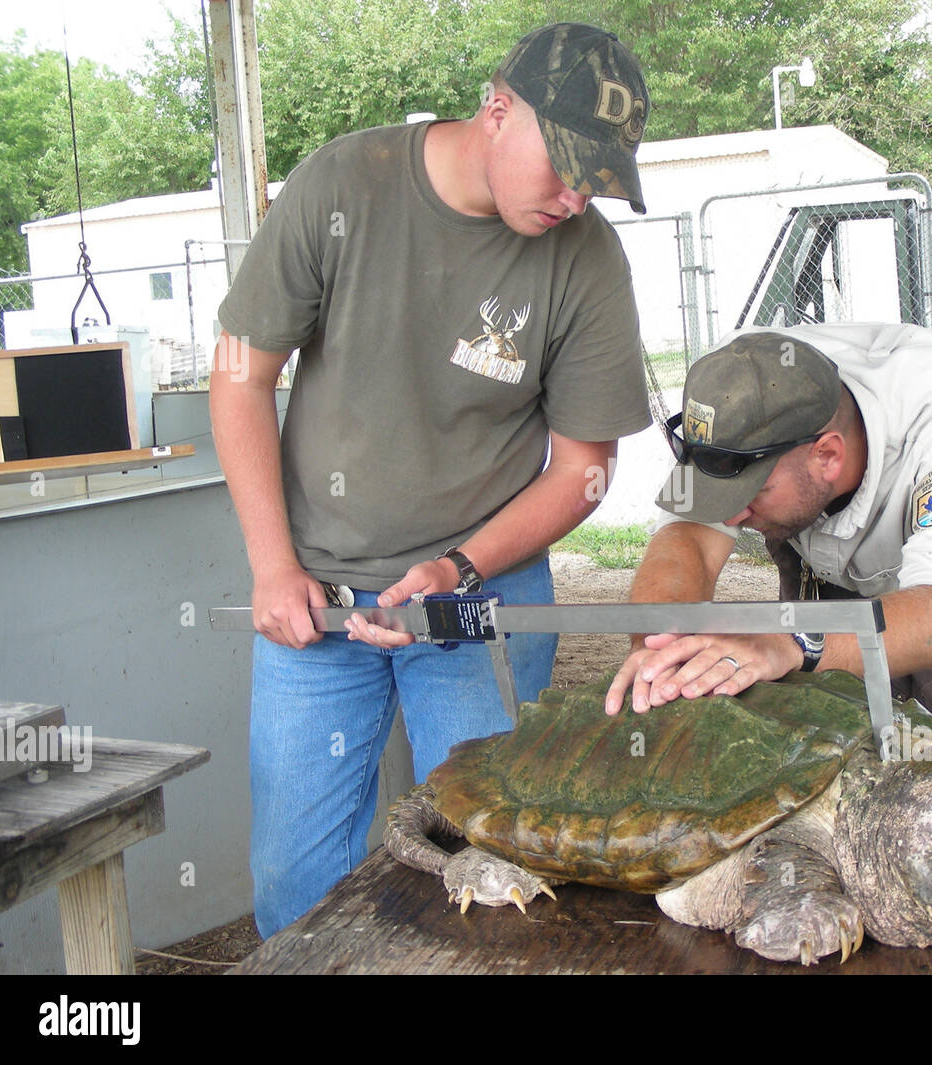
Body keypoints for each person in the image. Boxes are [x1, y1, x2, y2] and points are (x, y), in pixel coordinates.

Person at [210, 23, 652, 937]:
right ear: (497, 108)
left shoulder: (588, 259)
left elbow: (585, 470)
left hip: (478, 595)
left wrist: (458, 565)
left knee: (489, 865)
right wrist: (269, 566)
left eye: (596, 179)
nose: (574, 198)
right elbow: (240, 373)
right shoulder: (345, 184)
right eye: (564, 165)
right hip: (318, 594)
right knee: (296, 874)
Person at [604, 323, 932, 738]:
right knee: (820, 752)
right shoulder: (735, 390)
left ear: (828, 456)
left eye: (750, 491)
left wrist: (792, 642)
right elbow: (688, 545)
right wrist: (662, 650)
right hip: (816, 554)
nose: (733, 516)